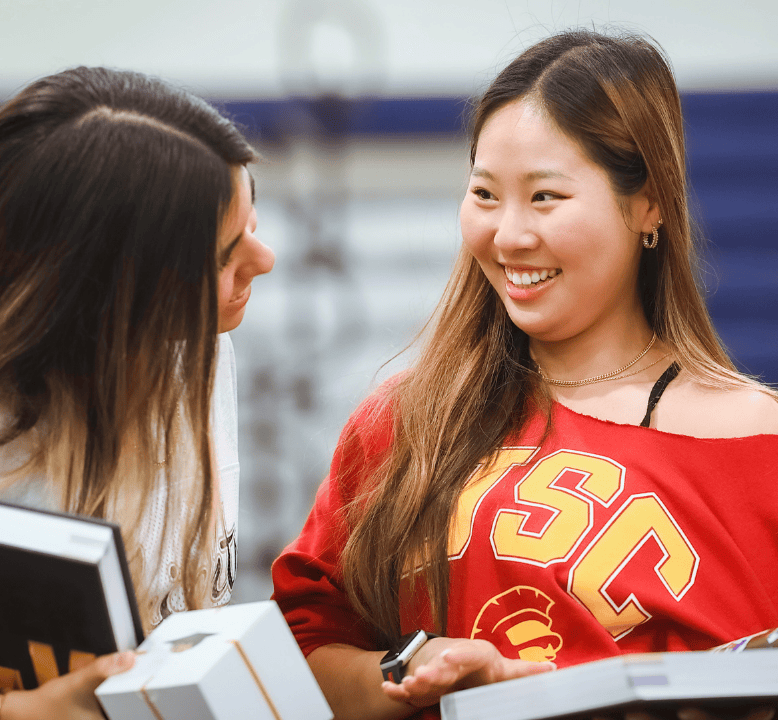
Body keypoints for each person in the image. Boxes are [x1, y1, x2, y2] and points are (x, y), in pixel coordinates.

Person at [271, 29, 778, 720]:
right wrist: (420, 674)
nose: (508, 235)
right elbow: (303, 647)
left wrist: (541, 694)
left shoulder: (760, 447)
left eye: (545, 197)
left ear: (649, 204)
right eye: (484, 193)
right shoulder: (405, 425)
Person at [0, 66, 274, 718]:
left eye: (253, 220)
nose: (266, 260)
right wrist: (6, 713)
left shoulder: (196, 356)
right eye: (227, 253)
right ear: (108, 302)